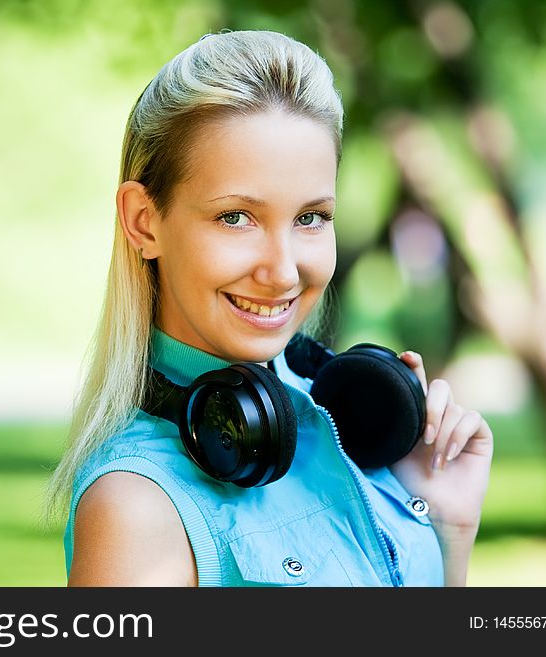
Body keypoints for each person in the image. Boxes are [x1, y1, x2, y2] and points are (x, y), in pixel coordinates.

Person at [45, 30, 493, 587]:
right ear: (144, 221)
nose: (283, 271)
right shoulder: (137, 506)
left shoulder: (352, 440)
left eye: (311, 217)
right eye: (235, 217)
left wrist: (446, 527)